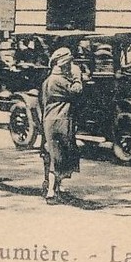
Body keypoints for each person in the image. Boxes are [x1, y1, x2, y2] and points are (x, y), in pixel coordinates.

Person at [40, 47, 87, 203]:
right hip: (62, 120)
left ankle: (52, 186)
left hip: (48, 121)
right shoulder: (61, 81)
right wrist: (77, 77)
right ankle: (51, 191)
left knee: (53, 153)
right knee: (60, 157)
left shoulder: (47, 81)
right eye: (67, 64)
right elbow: (77, 91)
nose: (69, 66)